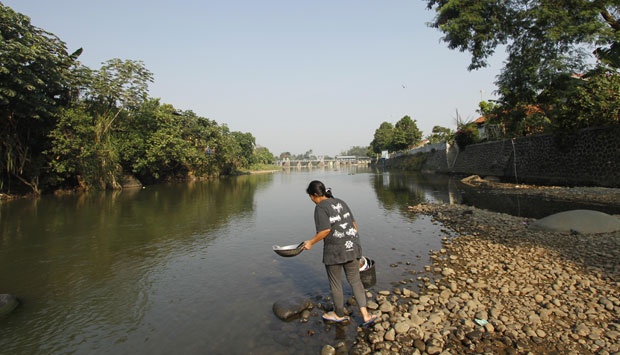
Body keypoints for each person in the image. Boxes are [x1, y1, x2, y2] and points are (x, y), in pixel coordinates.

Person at [302, 180, 378, 326]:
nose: (312, 200)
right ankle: (366, 315)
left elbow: (325, 231)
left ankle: (339, 314)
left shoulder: (320, 208)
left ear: (315, 195)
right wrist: (348, 241)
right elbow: (355, 226)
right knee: (355, 281)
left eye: (311, 197)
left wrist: (310, 242)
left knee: (335, 284)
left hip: (335, 251)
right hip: (353, 246)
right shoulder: (341, 202)